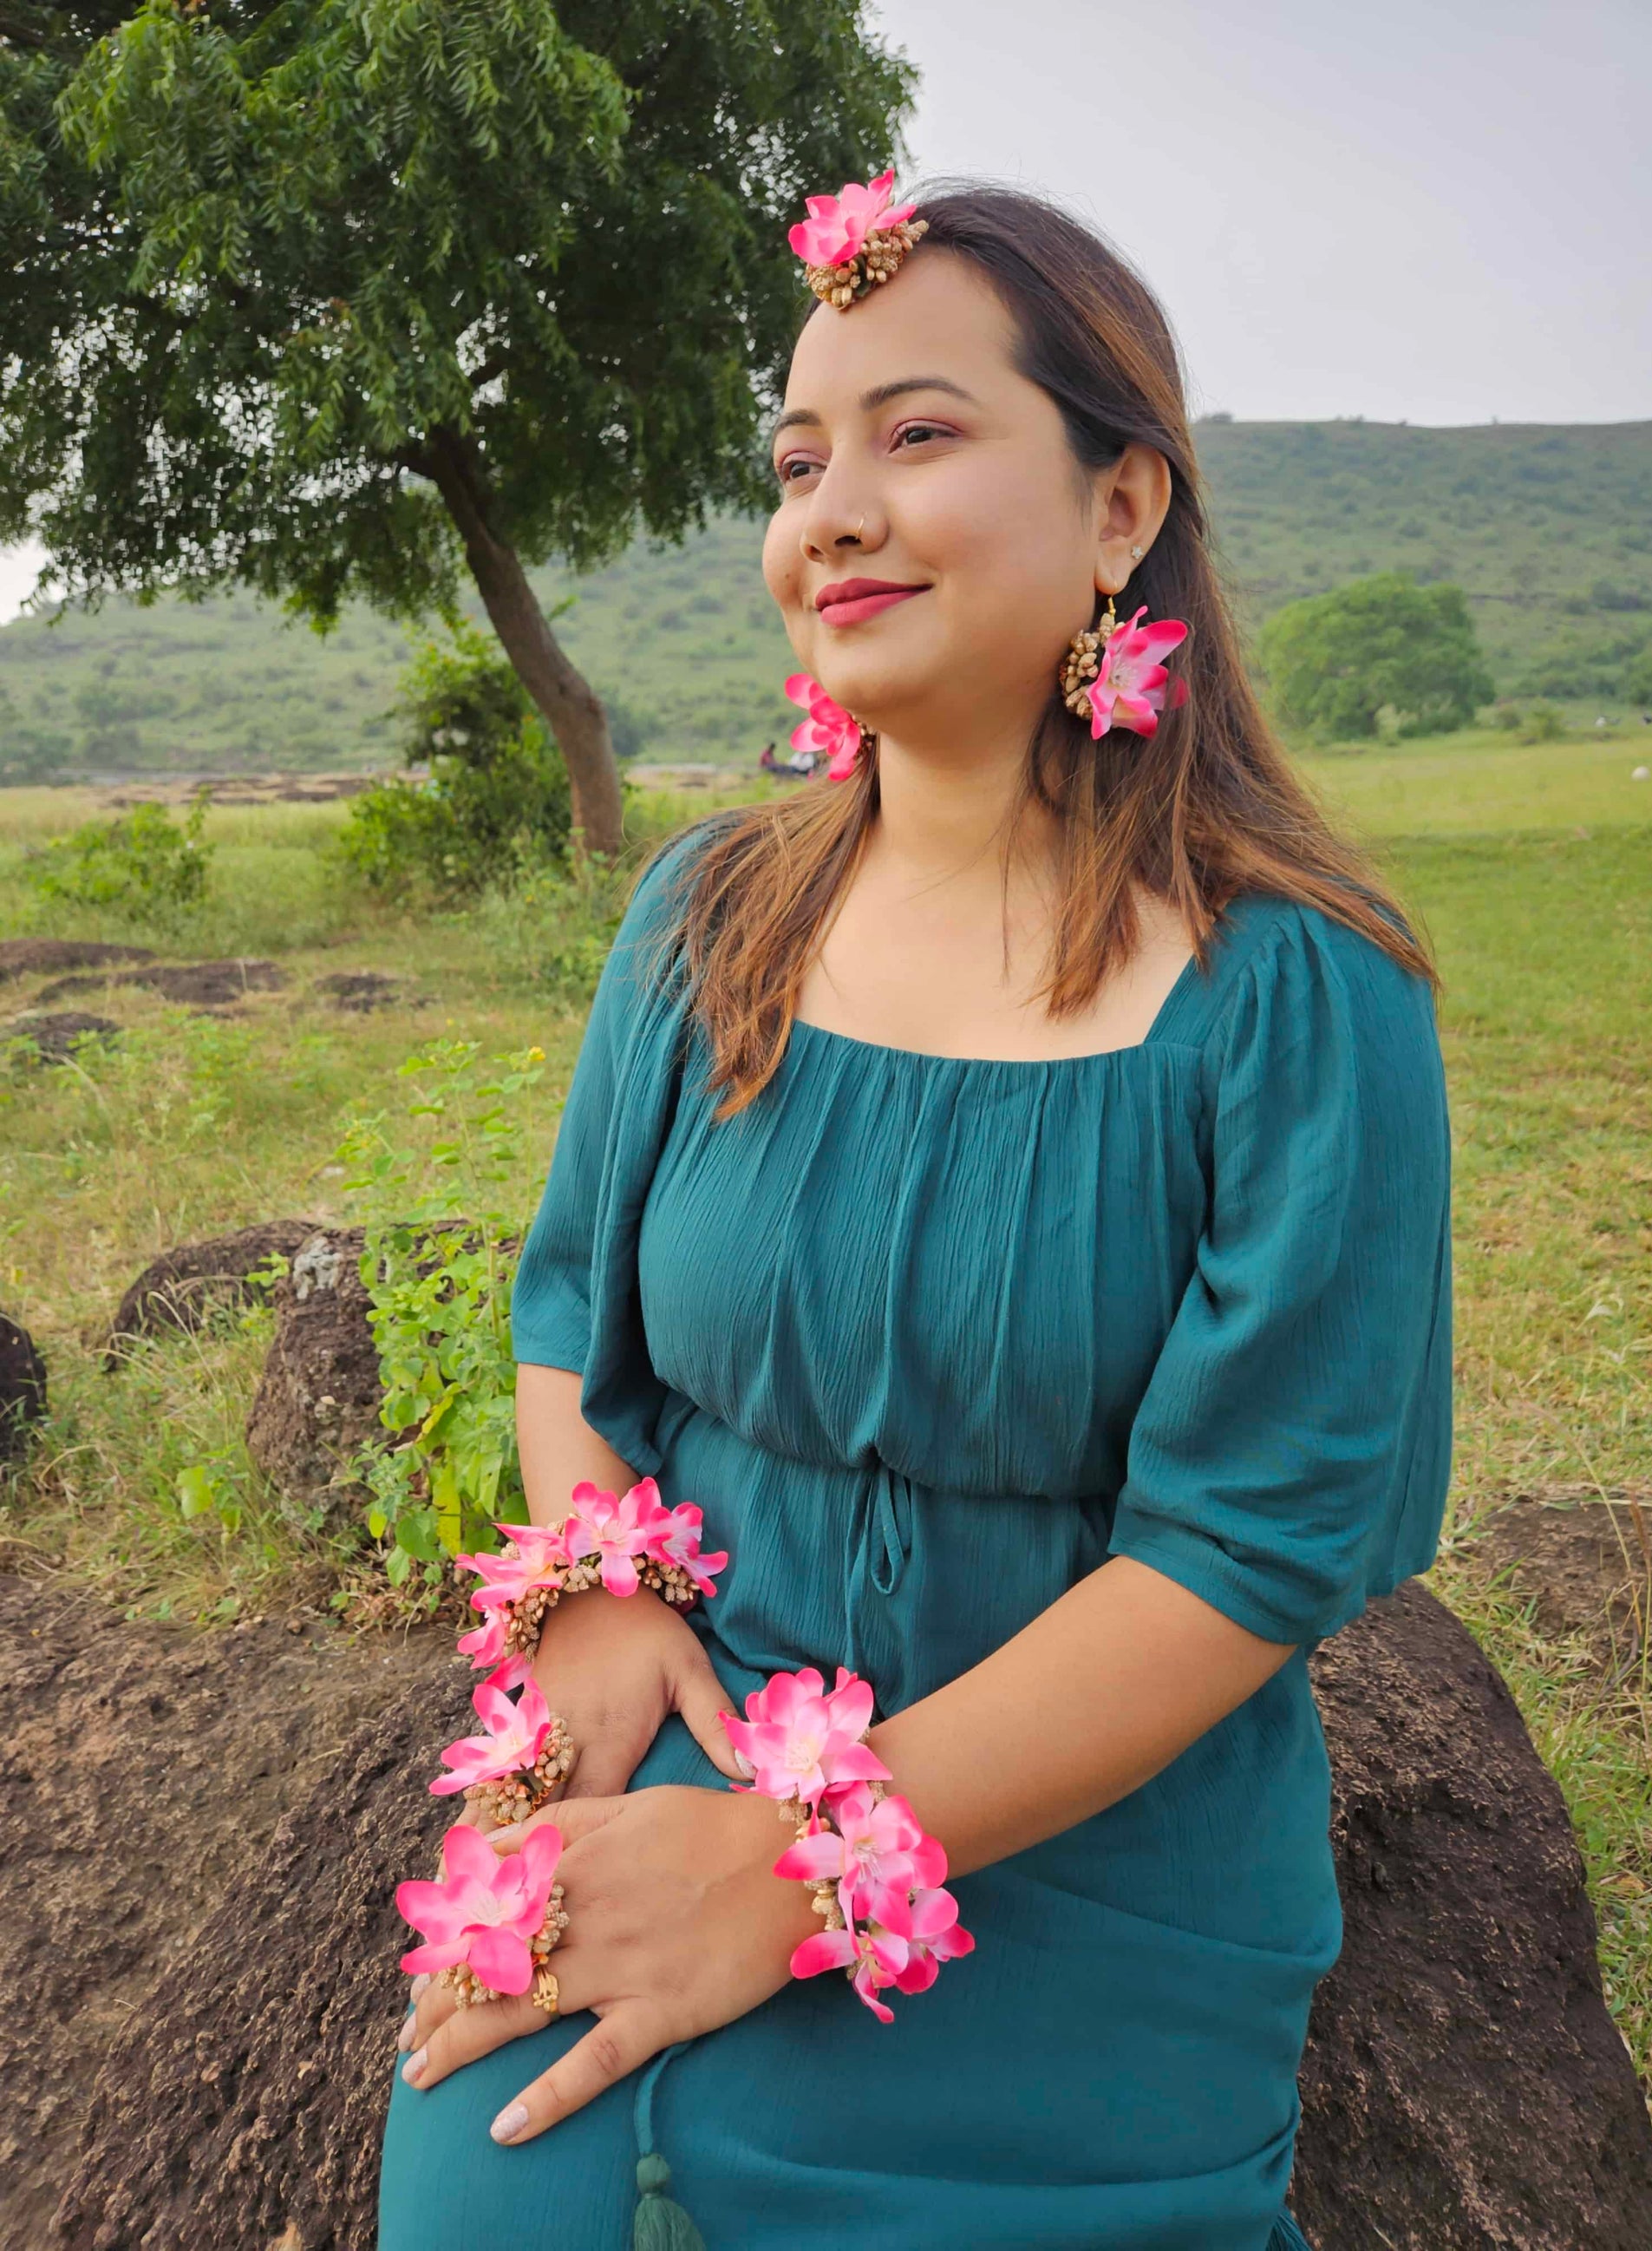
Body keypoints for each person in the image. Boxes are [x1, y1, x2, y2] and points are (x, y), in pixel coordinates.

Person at [378, 180, 1452, 2251]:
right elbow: (574, 1309)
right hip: (691, 1736)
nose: (831, 511)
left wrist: (790, 1868)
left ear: (1122, 503)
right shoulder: (703, 920)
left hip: (1079, 1870)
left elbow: (1248, 1546)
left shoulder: (1302, 996)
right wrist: (595, 1594)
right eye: (799, 462)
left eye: (920, 435)